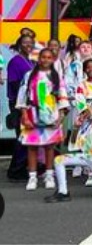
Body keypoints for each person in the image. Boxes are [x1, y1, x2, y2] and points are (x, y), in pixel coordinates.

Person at [47, 98, 92, 202]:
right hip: (87, 158)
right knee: (58, 160)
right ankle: (63, 192)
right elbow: (72, 144)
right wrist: (76, 128)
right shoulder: (90, 126)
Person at [16, 48, 69, 191]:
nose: (45, 60)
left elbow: (62, 96)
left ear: (52, 60)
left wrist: (61, 116)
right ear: (39, 59)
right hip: (33, 113)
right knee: (32, 147)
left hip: (51, 114)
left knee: (49, 146)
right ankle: (32, 176)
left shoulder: (56, 76)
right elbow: (23, 96)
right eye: (43, 57)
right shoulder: (29, 76)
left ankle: (49, 175)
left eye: (48, 57)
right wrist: (24, 115)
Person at [6, 35, 37, 180]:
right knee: (22, 137)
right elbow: (14, 83)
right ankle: (15, 170)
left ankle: (21, 167)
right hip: (19, 103)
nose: (28, 45)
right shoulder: (15, 62)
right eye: (25, 43)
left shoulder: (31, 61)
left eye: (30, 43)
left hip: (28, 103)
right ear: (19, 44)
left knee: (27, 136)